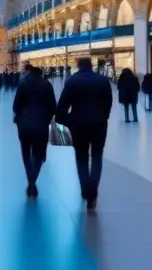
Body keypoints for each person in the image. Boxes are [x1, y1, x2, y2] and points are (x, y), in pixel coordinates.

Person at [56, 57, 112, 210]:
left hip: (78, 123)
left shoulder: (72, 81)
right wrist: (103, 116)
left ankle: (86, 188)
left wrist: (65, 120)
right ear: (91, 66)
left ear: (78, 66)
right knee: (96, 155)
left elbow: (62, 106)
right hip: (99, 123)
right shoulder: (102, 81)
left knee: (81, 157)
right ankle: (93, 186)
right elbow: (108, 103)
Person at [12, 63, 56, 198]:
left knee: (26, 154)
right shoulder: (47, 85)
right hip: (41, 124)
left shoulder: (23, 84)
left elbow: (15, 106)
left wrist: (20, 116)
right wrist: (47, 118)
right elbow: (53, 106)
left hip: (24, 125)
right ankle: (33, 180)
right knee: (38, 154)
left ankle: (30, 179)